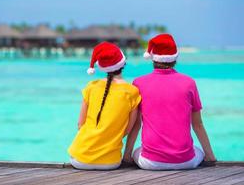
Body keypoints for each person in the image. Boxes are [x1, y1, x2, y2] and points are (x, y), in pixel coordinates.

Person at [123, 34, 216, 170]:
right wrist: (210, 156)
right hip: (185, 162)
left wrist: (127, 156)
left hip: (151, 163)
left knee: (139, 151)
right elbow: (198, 125)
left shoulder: (138, 83)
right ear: (175, 58)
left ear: (153, 58)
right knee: (198, 151)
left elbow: (136, 125)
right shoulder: (189, 83)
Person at [68, 42, 141, 170]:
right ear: (123, 63)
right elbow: (129, 128)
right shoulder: (132, 91)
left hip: (79, 159)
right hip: (110, 162)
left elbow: (80, 125)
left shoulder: (91, 87)